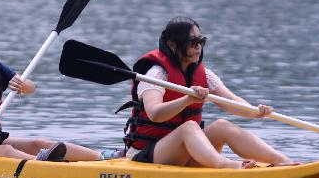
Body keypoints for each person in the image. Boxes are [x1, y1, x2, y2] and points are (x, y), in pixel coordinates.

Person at [0, 13, 115, 162]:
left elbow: (31, 87)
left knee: (38, 143)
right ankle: (43, 165)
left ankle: (103, 157)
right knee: (6, 150)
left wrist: (20, 84)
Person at [121, 16, 296, 169]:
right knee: (189, 127)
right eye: (192, 42)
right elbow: (155, 114)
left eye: (201, 41)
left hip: (184, 154)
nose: (199, 47)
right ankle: (226, 165)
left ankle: (282, 161)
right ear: (172, 45)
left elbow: (231, 101)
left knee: (222, 126)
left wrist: (256, 112)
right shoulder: (156, 74)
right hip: (147, 155)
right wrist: (186, 100)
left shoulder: (204, 74)